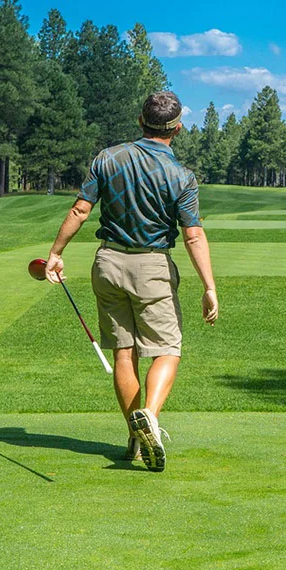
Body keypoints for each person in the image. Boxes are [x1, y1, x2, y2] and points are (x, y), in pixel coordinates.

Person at [45, 91, 218, 472]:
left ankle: (136, 437)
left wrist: (56, 252)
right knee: (167, 349)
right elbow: (192, 235)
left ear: (140, 121)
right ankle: (150, 419)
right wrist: (209, 286)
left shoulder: (107, 158)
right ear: (178, 127)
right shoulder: (182, 176)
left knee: (125, 352)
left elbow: (80, 209)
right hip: (152, 266)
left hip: (107, 263)